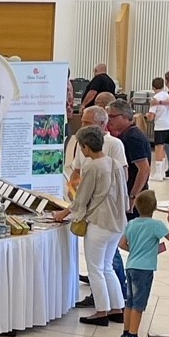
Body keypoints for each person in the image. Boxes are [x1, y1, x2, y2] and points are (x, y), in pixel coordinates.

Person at [54, 126, 126, 326]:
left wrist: (63, 213)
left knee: (95, 269)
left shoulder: (93, 167)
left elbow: (81, 200)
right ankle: (118, 308)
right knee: (107, 266)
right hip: (117, 222)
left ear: (85, 147)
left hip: (99, 223)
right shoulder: (115, 164)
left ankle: (101, 311)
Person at [117, 189, 169, 337]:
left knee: (130, 301)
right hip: (144, 269)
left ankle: (126, 333)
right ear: (155, 207)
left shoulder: (131, 224)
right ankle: (133, 336)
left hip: (130, 266)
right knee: (139, 304)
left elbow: (122, 244)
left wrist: (137, 250)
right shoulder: (156, 225)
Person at [148, 77, 169, 180]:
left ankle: (158, 173)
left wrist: (146, 115)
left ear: (153, 87)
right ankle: (162, 171)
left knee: (158, 148)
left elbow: (151, 116)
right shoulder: (166, 94)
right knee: (163, 147)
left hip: (161, 125)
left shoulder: (154, 99)